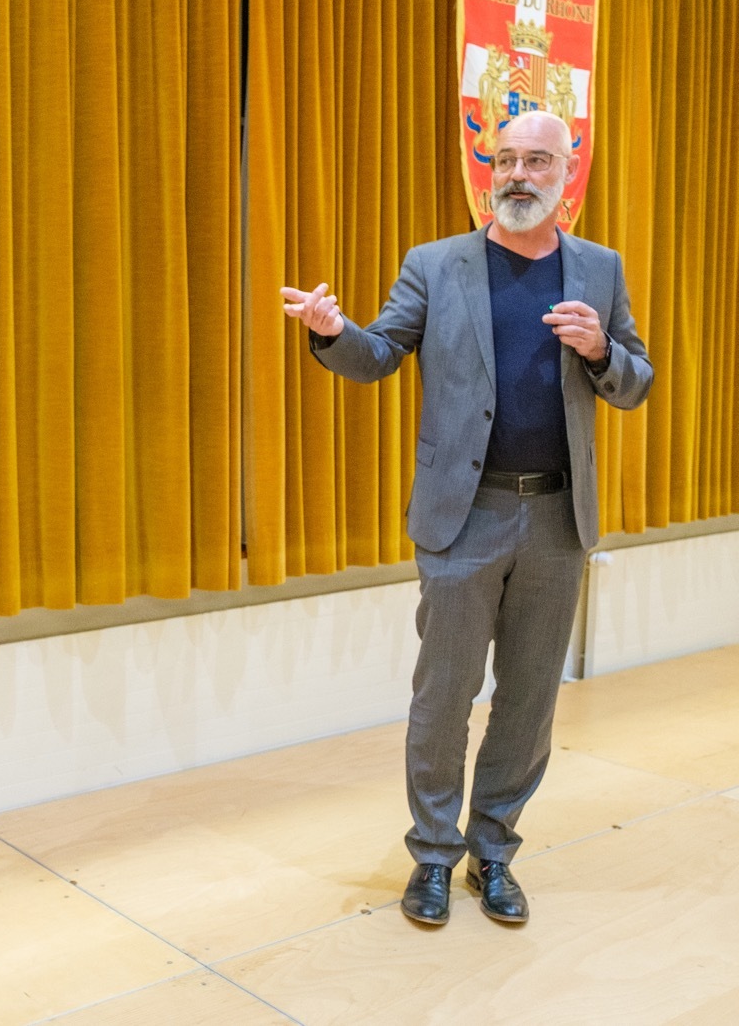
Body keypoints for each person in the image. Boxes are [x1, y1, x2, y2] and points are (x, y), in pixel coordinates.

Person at [280, 111, 653, 926]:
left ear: (567, 171)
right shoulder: (436, 264)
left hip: (558, 518)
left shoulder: (599, 269)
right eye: (506, 158)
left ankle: (494, 849)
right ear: (491, 168)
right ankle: (433, 854)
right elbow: (380, 353)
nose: (518, 174)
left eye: (537, 160)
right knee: (444, 694)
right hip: (463, 515)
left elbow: (637, 380)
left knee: (529, 696)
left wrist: (602, 351)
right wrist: (333, 334)